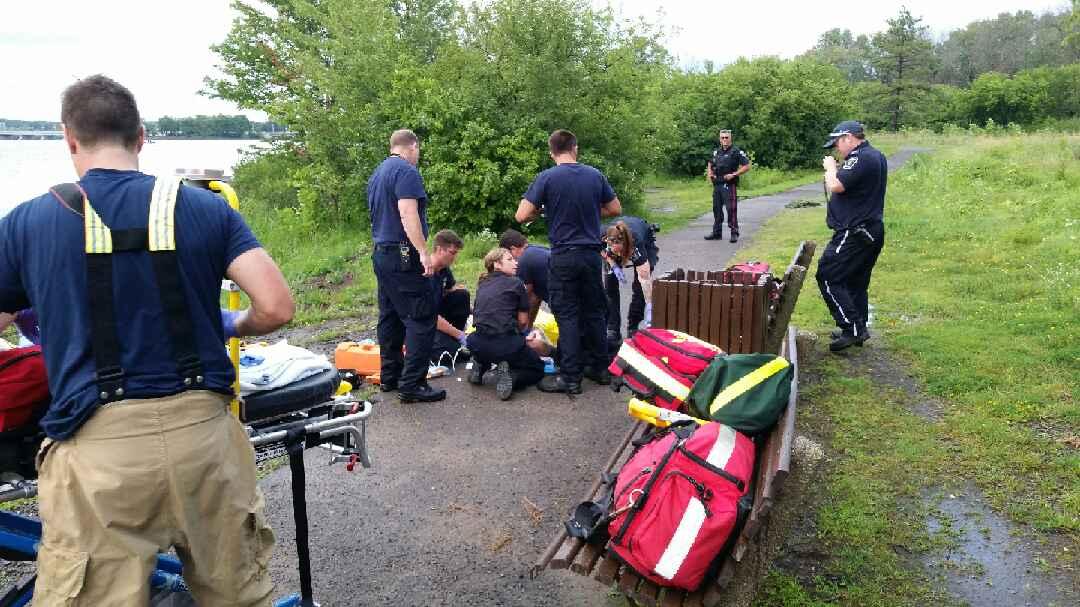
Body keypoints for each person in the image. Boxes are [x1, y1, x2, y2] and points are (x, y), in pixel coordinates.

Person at [0, 75, 294, 606]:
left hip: (98, 456)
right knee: (237, 595)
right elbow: (276, 307)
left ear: (68, 138)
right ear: (141, 137)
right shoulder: (207, 209)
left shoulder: (26, 223)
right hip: (204, 438)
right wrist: (234, 325)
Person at [516, 129, 621, 394]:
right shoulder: (594, 175)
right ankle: (600, 369)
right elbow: (615, 209)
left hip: (563, 256)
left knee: (568, 314)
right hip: (590, 256)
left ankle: (570, 377)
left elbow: (521, 215)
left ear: (552, 153)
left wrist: (544, 211)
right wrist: (587, 209)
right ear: (575, 148)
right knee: (594, 312)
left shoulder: (547, 178)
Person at [367, 128, 445, 402]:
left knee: (390, 315)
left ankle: (391, 377)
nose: (418, 155)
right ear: (412, 146)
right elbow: (407, 212)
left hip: (381, 252)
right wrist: (422, 251)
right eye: (418, 150)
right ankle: (413, 384)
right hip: (403, 253)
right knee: (421, 316)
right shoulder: (406, 171)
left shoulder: (378, 173)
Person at [817, 120, 887, 352]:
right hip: (870, 229)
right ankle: (858, 327)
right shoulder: (875, 155)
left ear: (848, 137)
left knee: (827, 275)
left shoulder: (861, 157)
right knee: (855, 282)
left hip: (854, 231)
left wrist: (830, 168)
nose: (837, 149)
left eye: (837, 142)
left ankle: (852, 328)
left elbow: (836, 185)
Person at [466, 248, 546, 400]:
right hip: (504, 345)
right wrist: (521, 336)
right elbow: (523, 321)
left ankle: (480, 364)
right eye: (510, 260)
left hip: (476, 343)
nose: (516, 263)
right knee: (537, 368)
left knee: (494, 345)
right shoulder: (516, 284)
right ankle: (513, 376)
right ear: (496, 264)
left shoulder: (482, 284)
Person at [602, 216, 660, 341]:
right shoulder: (601, 235)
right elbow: (602, 251)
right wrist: (614, 266)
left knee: (639, 287)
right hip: (615, 240)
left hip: (642, 237)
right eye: (615, 251)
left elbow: (645, 280)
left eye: (620, 252)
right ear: (607, 240)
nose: (619, 256)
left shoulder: (636, 243)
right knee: (610, 286)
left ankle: (633, 326)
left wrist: (649, 306)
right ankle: (613, 329)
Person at [428, 229, 470, 362]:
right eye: (452, 253)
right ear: (440, 249)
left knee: (462, 295)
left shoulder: (444, 270)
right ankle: (453, 339)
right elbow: (429, 315)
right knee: (453, 354)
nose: (455, 257)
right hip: (421, 321)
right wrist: (459, 335)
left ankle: (452, 338)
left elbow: (449, 290)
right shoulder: (425, 273)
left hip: (437, 315)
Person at [705, 129, 751, 243]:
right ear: (719, 139)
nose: (724, 139)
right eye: (722, 137)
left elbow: (747, 165)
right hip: (717, 184)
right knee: (716, 209)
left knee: (731, 209)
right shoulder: (716, 151)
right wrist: (709, 174)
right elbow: (710, 163)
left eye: (726, 137)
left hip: (729, 184)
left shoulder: (736, 151)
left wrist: (734, 174)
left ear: (730, 138)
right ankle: (717, 233)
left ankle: (734, 232)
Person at [498, 229, 550, 325]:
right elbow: (535, 298)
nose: (512, 261)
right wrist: (528, 327)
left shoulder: (523, 259)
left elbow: (524, 297)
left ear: (513, 249)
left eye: (509, 257)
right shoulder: (538, 250)